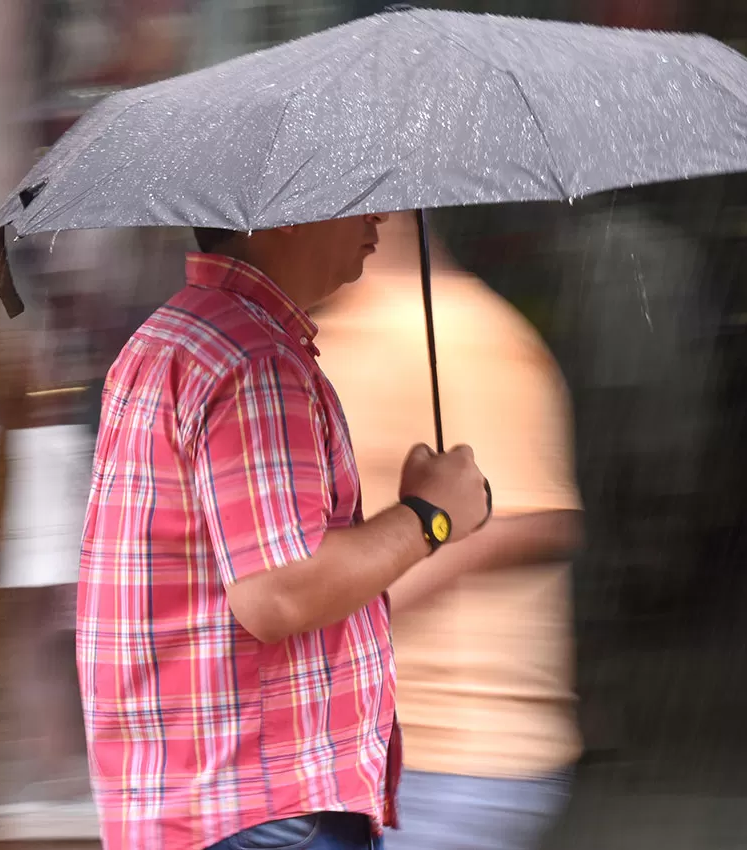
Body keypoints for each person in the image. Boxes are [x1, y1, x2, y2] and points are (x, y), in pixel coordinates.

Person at [76, 213, 494, 850]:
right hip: (266, 816)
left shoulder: (165, 340)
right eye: (353, 191)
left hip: (199, 809)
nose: (379, 214)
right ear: (288, 215)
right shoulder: (253, 359)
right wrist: (429, 517)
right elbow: (278, 591)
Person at [314, 213, 583, 850]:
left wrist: (358, 604)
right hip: (354, 752)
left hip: (454, 755)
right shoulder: (321, 333)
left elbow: (529, 521)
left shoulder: (464, 333)